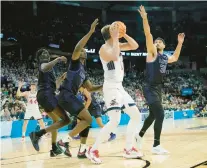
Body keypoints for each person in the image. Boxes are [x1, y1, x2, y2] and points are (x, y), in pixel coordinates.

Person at [86, 21, 143, 164]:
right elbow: (115, 56)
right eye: (115, 31)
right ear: (111, 34)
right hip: (110, 87)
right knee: (115, 121)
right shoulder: (103, 48)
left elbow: (135, 46)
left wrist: (124, 34)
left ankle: (128, 149)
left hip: (120, 87)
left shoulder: (117, 44)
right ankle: (92, 149)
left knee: (136, 115)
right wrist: (117, 38)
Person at [135, 5, 185, 154]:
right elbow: (148, 34)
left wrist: (180, 43)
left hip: (157, 88)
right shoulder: (152, 53)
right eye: (155, 42)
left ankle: (139, 135)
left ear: (163, 45)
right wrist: (144, 18)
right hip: (149, 87)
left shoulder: (165, 57)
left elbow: (175, 57)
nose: (156, 43)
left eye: (159, 42)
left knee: (152, 115)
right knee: (161, 114)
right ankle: (156, 146)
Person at [56, 19, 102, 157]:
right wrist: (90, 32)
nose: (83, 51)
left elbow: (91, 88)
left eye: (84, 50)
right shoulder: (75, 64)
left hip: (71, 97)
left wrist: (106, 85)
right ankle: (64, 141)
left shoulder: (83, 71)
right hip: (66, 95)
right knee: (88, 119)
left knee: (85, 121)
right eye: (82, 50)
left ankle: (81, 150)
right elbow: (77, 48)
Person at [29, 48, 71, 157]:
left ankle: (54, 148)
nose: (46, 54)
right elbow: (44, 67)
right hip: (46, 95)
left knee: (56, 120)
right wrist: (57, 59)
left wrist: (61, 78)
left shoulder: (50, 70)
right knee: (66, 120)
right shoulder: (43, 64)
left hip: (46, 94)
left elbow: (54, 86)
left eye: (47, 53)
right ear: (39, 57)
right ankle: (37, 134)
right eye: (43, 53)